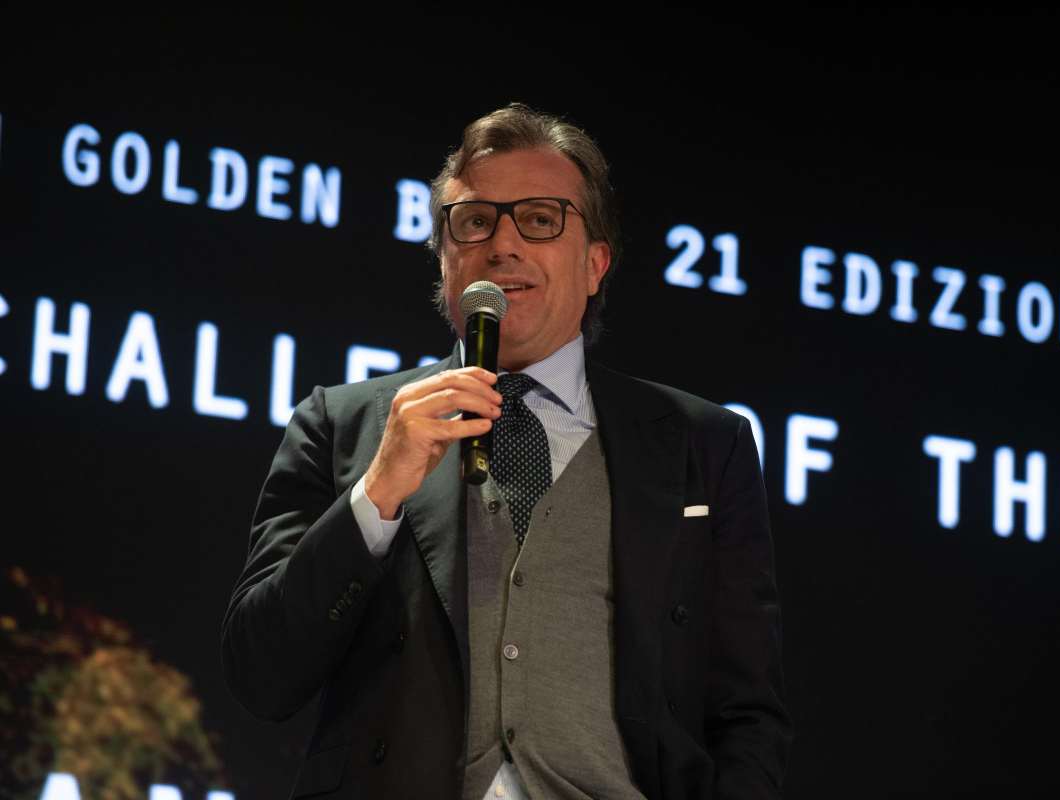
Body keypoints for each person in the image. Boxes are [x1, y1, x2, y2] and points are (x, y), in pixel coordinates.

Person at [221, 103, 791, 800]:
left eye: (540, 219)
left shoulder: (703, 443)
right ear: (444, 258)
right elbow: (262, 674)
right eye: (474, 221)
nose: (502, 245)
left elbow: (745, 715)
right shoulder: (342, 425)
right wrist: (377, 494)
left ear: (595, 264)